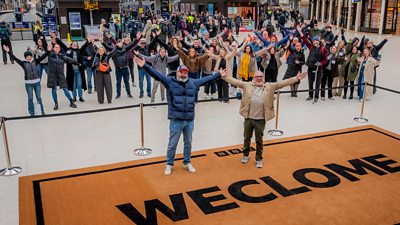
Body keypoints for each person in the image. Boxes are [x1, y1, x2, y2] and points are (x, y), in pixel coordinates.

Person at [134, 56, 225, 176]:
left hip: (189, 120)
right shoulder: (170, 82)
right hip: (176, 120)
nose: (183, 74)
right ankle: (169, 164)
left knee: (188, 143)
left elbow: (206, 80)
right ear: (177, 73)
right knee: (172, 144)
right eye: (181, 72)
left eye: (185, 72)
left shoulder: (193, 82)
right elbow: (157, 75)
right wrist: (145, 66)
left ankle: (187, 162)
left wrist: (218, 75)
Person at [222, 70, 307, 168]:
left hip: (260, 119)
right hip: (248, 118)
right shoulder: (247, 85)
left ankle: (259, 158)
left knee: (259, 140)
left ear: (264, 78)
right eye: (257, 77)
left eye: (261, 77)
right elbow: (235, 82)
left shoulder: (270, 87)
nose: (259, 78)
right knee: (246, 138)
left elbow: (282, 83)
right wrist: (224, 77)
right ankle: (245, 155)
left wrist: (296, 78)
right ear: (253, 78)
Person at [3, 45, 50, 116]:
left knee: (39, 97)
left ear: (31, 56)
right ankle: (31, 111)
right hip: (29, 84)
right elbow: (15, 58)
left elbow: (43, 57)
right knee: (30, 98)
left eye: (30, 56)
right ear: (25, 57)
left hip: (37, 83)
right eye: (27, 56)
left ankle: (42, 111)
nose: (29, 57)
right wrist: (8, 52)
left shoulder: (35, 61)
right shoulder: (23, 63)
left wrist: (48, 51)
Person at [298, 27, 328, 103]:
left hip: (319, 69)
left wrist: (321, 63)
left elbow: (326, 59)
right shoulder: (311, 47)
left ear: (318, 41)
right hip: (311, 68)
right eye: (314, 41)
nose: (315, 42)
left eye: (316, 41)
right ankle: (310, 95)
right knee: (310, 82)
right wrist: (300, 31)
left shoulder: (323, 49)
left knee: (317, 83)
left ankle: (316, 96)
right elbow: (305, 39)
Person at [46, 40, 79, 110]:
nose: (57, 48)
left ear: (60, 49)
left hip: (61, 75)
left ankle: (71, 102)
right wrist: (48, 50)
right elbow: (46, 53)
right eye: (56, 47)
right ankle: (56, 103)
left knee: (65, 89)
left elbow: (69, 59)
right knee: (54, 90)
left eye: (58, 47)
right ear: (53, 48)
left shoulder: (62, 56)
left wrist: (77, 63)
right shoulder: (50, 55)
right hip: (52, 75)